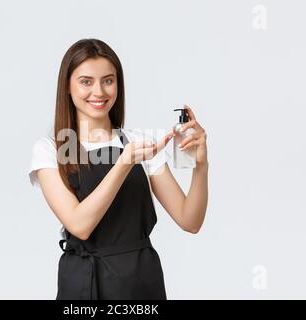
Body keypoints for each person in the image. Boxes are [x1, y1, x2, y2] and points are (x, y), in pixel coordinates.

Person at [28, 38, 209, 300]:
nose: (99, 91)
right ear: (67, 86)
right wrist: (124, 162)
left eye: (108, 80)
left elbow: (189, 220)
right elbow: (80, 225)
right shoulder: (50, 150)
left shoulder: (138, 143)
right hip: (83, 286)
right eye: (86, 81)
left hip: (141, 283)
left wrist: (201, 165)